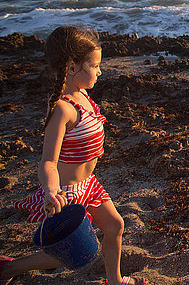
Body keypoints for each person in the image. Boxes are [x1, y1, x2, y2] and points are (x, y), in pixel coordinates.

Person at [0, 26, 148, 285]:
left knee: (115, 226)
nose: (100, 71)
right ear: (71, 68)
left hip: (89, 185)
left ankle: (114, 281)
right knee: (71, 253)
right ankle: (8, 269)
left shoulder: (83, 95)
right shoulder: (62, 109)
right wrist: (50, 190)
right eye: (94, 65)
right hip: (66, 192)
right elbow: (48, 160)